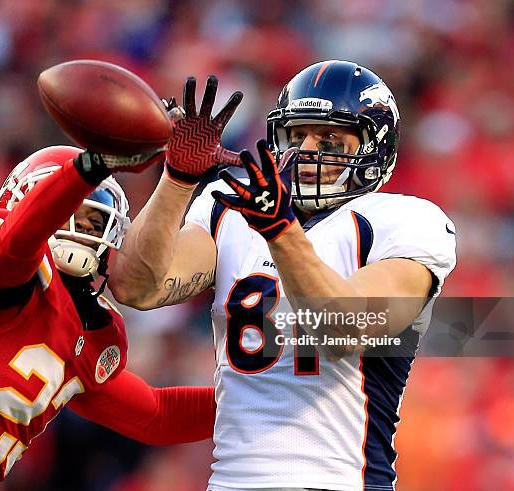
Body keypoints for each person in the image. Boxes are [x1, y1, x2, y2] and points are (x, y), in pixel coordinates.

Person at [109, 61, 457, 491]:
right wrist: (178, 180)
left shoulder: (403, 220)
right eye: (298, 135)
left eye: (329, 137)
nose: (307, 150)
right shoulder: (229, 208)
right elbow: (138, 288)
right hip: (229, 481)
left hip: (337, 481)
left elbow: (343, 330)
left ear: (374, 147)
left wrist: (280, 230)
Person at [0, 145, 215, 490]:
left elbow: (157, 415)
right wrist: (89, 167)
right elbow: (15, 246)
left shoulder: (87, 330)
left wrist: (262, 398)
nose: (81, 228)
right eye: (71, 211)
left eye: (94, 222)